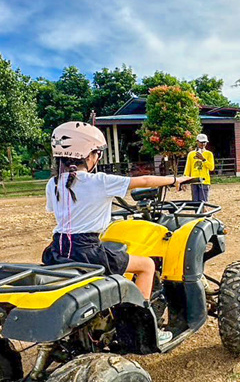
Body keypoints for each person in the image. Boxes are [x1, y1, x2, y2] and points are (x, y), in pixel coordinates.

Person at [43, 121, 183, 309]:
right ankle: (139, 319)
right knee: (147, 266)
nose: (97, 158)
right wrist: (175, 179)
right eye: (97, 153)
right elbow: (145, 180)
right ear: (88, 155)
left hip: (58, 249)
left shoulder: (53, 183)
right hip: (88, 250)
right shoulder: (100, 181)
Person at [184, 133, 214, 203]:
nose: (203, 144)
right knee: (195, 203)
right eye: (201, 142)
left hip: (204, 181)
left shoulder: (209, 154)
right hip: (194, 181)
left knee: (204, 202)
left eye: (205, 142)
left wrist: (203, 159)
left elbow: (211, 167)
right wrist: (184, 181)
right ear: (197, 141)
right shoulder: (191, 154)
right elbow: (187, 169)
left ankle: (205, 214)